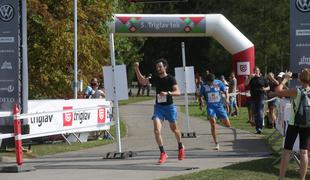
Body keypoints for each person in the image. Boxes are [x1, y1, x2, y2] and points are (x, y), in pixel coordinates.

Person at [134, 58, 184, 164]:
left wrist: (168, 93)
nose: (158, 68)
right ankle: (163, 153)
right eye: (157, 67)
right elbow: (143, 81)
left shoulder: (171, 78)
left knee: (175, 130)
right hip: (159, 107)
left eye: (160, 66)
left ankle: (180, 146)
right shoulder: (155, 78)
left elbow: (178, 92)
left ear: (165, 67)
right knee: (157, 130)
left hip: (169, 107)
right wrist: (136, 69)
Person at [268, 69, 310, 180]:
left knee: (287, 150)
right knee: (304, 151)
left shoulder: (296, 91)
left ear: (300, 79)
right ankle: (302, 178)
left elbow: (278, 90)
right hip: (307, 124)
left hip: (294, 123)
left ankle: (281, 177)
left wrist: (285, 79)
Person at [199, 73, 231, 150]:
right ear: (207, 81)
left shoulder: (219, 82)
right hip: (210, 107)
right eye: (209, 82)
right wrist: (201, 102)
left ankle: (219, 120)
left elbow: (226, 91)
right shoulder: (204, 85)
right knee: (213, 124)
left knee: (228, 125)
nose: (211, 83)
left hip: (219, 106)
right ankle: (216, 143)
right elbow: (200, 95)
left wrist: (227, 99)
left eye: (212, 82)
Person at [247, 67, 269, 134]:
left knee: (259, 111)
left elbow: (268, 87)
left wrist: (265, 89)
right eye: (255, 71)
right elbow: (246, 84)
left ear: (259, 71)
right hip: (253, 97)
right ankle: (257, 128)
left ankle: (260, 127)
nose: (256, 72)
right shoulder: (252, 78)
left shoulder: (263, 78)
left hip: (261, 96)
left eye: (257, 70)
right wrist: (249, 77)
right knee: (255, 113)